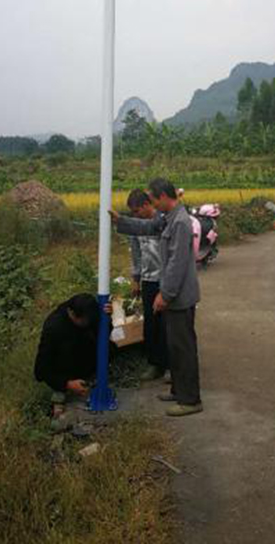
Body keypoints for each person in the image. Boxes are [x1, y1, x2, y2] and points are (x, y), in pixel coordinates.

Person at [111, 178, 202, 417]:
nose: (151, 203)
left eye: (152, 199)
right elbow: (147, 227)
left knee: (183, 348)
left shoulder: (180, 223)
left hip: (179, 297)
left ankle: (190, 400)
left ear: (162, 196)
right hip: (173, 295)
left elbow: (176, 264)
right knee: (173, 345)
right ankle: (178, 390)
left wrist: (165, 294)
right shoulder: (169, 219)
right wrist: (122, 222)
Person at [34, 293, 107, 421]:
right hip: (64, 369)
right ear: (72, 313)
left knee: (110, 347)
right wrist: (67, 384)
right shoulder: (54, 328)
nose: (87, 323)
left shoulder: (88, 313)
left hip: (83, 358)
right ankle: (61, 392)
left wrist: (107, 317)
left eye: (88, 320)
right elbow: (40, 370)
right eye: (83, 321)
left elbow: (103, 335)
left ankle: (88, 374)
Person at [126, 188, 169, 382]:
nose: (134, 215)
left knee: (167, 325)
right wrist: (136, 279)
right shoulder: (135, 227)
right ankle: (155, 364)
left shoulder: (163, 222)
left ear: (146, 205)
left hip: (166, 280)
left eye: (136, 211)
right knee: (151, 325)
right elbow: (136, 253)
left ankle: (171, 366)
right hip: (148, 280)